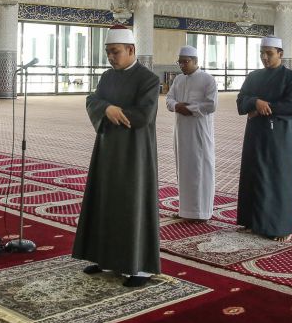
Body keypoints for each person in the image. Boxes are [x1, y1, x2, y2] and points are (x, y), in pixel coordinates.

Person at [73, 25, 161, 288]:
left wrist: (112, 111)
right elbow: (93, 100)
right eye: (108, 53)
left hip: (135, 153)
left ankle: (139, 267)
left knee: (131, 203)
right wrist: (107, 108)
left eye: (115, 52)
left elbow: (143, 116)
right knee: (105, 202)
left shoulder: (148, 79)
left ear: (131, 50)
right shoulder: (107, 77)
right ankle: (105, 258)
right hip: (107, 150)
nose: (111, 57)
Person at [236, 36, 292, 242]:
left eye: (269, 53)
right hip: (256, 135)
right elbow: (241, 103)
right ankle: (253, 221)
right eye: (262, 54)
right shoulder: (254, 76)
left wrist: (262, 107)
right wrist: (255, 102)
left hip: (280, 137)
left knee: (277, 178)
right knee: (254, 175)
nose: (264, 57)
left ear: (280, 54)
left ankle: (281, 227)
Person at [165, 46, 217, 221]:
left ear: (196, 61)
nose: (182, 65)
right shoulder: (178, 79)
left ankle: (202, 212)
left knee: (200, 170)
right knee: (184, 169)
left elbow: (211, 105)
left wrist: (189, 109)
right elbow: (169, 99)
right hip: (181, 131)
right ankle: (185, 211)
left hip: (199, 132)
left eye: (185, 62)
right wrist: (176, 106)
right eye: (179, 62)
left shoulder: (208, 80)